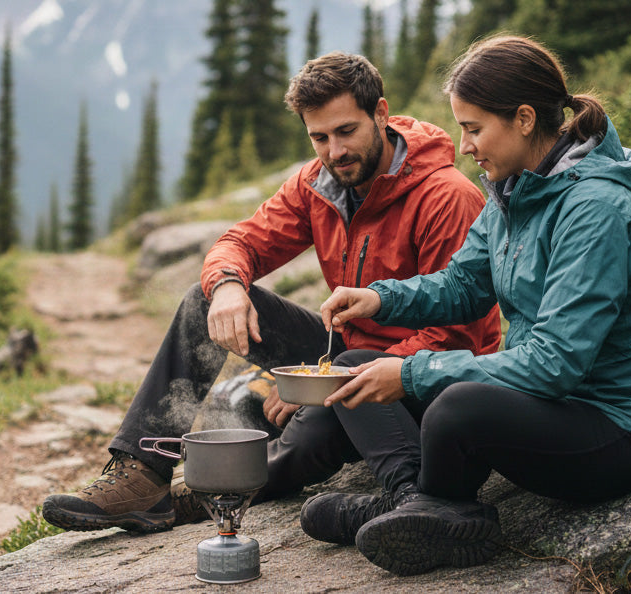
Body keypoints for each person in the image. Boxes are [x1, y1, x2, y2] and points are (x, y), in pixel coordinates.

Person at [41, 51, 501, 534]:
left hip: (420, 378)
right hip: (342, 356)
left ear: (381, 114)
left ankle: (212, 488)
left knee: (310, 435)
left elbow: (456, 337)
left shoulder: (446, 197)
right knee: (205, 301)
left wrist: (318, 391)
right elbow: (240, 242)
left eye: (346, 131)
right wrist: (227, 287)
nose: (335, 151)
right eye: (319, 138)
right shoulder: (317, 184)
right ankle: (142, 472)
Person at [301, 35, 631, 576]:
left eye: (474, 129)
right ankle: (415, 499)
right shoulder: (514, 192)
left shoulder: (595, 210)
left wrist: (411, 373)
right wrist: (380, 298)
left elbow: (555, 362)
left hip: (618, 430)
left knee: (457, 407)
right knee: (354, 367)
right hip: (548, 404)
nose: (465, 146)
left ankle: (441, 510)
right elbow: (462, 285)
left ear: (524, 119)